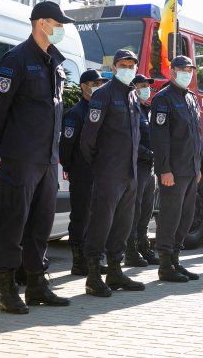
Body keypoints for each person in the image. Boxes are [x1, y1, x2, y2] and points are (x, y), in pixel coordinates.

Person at [0, 1, 73, 314]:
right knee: (13, 222)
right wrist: (2, 151)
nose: (61, 28)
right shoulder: (17, 59)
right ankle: (7, 287)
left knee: (41, 224)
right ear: (40, 23)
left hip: (48, 159)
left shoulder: (55, 61)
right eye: (57, 23)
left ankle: (37, 283)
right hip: (21, 156)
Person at [80, 49, 145, 296]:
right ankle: (94, 275)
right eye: (124, 64)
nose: (129, 68)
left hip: (130, 172)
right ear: (115, 67)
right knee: (101, 223)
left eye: (132, 64)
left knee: (123, 224)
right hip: (108, 172)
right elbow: (89, 137)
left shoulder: (132, 96)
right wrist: (100, 164)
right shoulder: (103, 94)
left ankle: (116, 271)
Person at [150, 55, 203, 282]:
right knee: (170, 216)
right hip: (173, 170)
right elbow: (159, 137)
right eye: (182, 69)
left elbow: (196, 136)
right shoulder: (163, 99)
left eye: (190, 69)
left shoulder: (191, 98)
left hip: (191, 170)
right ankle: (164, 264)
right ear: (172, 71)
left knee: (186, 216)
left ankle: (175, 260)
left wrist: (198, 166)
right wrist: (164, 169)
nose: (187, 73)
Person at [59, 69, 108, 275]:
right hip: (81, 173)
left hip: (100, 173)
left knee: (96, 217)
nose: (98, 87)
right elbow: (66, 145)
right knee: (81, 217)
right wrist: (69, 168)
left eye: (100, 83)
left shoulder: (101, 109)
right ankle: (79, 261)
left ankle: (92, 258)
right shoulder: (75, 114)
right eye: (94, 83)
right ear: (84, 86)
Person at [125, 73, 158, 267]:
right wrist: (150, 154)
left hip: (150, 169)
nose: (146, 89)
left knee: (146, 211)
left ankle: (143, 246)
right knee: (134, 211)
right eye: (142, 85)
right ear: (134, 88)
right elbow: (132, 142)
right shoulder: (131, 110)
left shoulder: (148, 110)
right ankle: (130, 251)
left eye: (148, 86)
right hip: (137, 168)